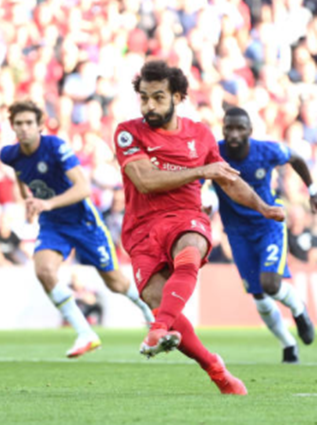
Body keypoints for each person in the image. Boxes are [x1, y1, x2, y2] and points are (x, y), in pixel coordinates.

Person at [114, 61, 284, 395]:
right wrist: (199, 172)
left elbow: (227, 179)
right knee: (156, 299)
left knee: (190, 246)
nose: (149, 106)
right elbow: (145, 181)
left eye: (158, 98)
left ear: (177, 96)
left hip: (185, 216)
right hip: (141, 229)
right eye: (144, 98)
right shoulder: (128, 131)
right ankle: (217, 371)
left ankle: (158, 327)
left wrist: (261, 206)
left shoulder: (200, 134)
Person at [0, 100, 155, 359]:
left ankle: (151, 315)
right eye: (18, 123)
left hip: (84, 222)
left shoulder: (56, 147)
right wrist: (26, 198)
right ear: (12, 127)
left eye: (29, 123)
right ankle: (85, 333)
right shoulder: (9, 154)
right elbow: (19, 173)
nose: (24, 128)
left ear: (40, 125)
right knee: (44, 270)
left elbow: (83, 188)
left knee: (115, 282)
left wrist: (46, 203)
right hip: (53, 224)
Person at [213, 107, 315, 363]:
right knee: (258, 294)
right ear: (224, 129)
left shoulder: (265, 151)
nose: (234, 133)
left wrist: (312, 190)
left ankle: (299, 310)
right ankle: (288, 344)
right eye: (229, 127)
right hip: (236, 231)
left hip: (268, 224)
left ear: (249, 130)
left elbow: (297, 158)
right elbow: (199, 180)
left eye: (239, 128)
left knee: (270, 284)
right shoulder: (214, 153)